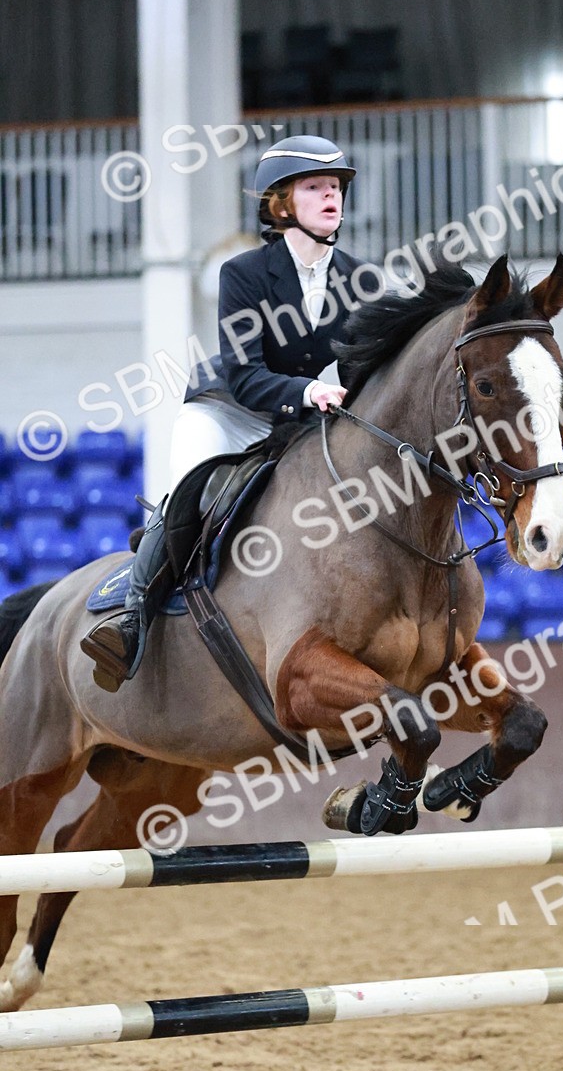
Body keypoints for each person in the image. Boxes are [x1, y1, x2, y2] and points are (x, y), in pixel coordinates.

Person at [81, 135, 369, 692]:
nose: (331, 196)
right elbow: (243, 373)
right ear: (282, 204)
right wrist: (311, 392)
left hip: (296, 420)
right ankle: (132, 619)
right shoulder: (242, 274)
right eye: (315, 187)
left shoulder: (358, 277)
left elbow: (361, 369)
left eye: (335, 187)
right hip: (228, 410)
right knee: (189, 492)